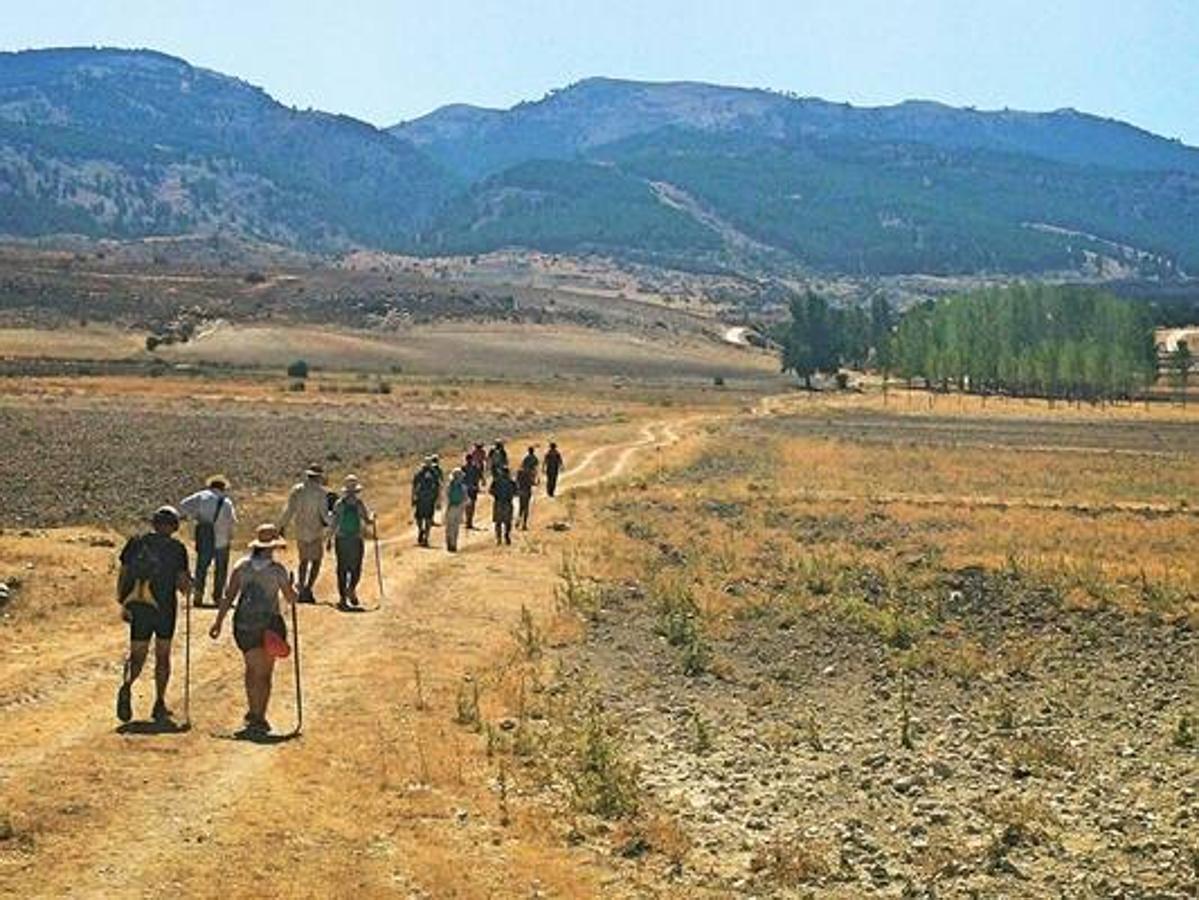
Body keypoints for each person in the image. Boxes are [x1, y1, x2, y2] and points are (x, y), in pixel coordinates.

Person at [210, 524, 298, 736]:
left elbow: (229, 596)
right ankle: (260, 716)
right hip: (269, 626)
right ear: (272, 548)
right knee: (265, 674)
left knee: (251, 669)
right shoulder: (277, 570)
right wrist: (294, 587)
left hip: (244, 624)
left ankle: (252, 711)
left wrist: (218, 622)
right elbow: (290, 598)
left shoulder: (241, 566)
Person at [115, 505, 192, 724]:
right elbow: (182, 584)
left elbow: (124, 573)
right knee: (162, 656)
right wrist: (188, 586)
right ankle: (159, 703)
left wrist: (123, 601)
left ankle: (127, 684)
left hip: (139, 605)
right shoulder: (177, 549)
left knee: (137, 654)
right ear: (174, 526)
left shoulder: (136, 543)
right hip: (164, 607)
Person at [178, 474, 237, 607]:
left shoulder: (201, 496)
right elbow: (232, 522)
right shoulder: (227, 502)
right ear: (223, 487)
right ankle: (217, 596)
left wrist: (194, 517)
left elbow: (182, 506)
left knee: (201, 567)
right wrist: (229, 536)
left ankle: (198, 595)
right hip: (222, 540)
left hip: (205, 538)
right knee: (221, 569)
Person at [278, 464, 331, 604]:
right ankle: (308, 588)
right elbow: (324, 515)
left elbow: (289, 510)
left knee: (303, 560)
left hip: (300, 530)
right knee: (316, 561)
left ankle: (301, 588)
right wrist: (334, 523)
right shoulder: (321, 493)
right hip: (315, 531)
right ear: (319, 476)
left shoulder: (297, 490)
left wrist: (281, 526)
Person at [327, 475, 375, 610]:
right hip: (356, 539)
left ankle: (342, 598)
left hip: (341, 540)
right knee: (356, 567)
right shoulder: (359, 504)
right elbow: (367, 521)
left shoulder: (339, 504)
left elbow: (334, 524)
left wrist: (329, 540)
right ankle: (351, 588)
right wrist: (373, 517)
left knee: (341, 568)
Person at [412, 457, 440, 547]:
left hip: (420, 499)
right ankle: (426, 537)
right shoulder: (434, 474)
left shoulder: (419, 473)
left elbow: (414, 487)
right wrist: (437, 499)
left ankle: (421, 530)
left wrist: (413, 498)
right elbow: (437, 487)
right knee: (428, 518)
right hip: (430, 499)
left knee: (418, 517)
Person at [490, 466, 517, 546]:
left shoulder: (496, 481)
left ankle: (499, 538)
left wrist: (496, 495)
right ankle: (506, 535)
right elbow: (516, 492)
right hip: (507, 503)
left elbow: (491, 491)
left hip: (498, 502)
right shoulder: (511, 482)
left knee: (498, 522)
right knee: (507, 522)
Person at [444, 468, 467, 552]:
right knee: (455, 527)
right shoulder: (462, 487)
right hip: (458, 508)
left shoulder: (449, 486)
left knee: (449, 527)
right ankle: (453, 544)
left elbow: (446, 497)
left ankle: (450, 543)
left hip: (451, 507)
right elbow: (466, 499)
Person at [462, 452, 484, 529]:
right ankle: (469, 521)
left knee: (467, 506)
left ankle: (468, 521)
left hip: (467, 489)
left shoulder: (464, 468)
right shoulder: (474, 467)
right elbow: (479, 475)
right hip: (472, 488)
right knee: (471, 506)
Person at [516, 460, 537, 531]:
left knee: (521, 507)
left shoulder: (519, 472)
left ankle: (518, 521)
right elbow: (531, 482)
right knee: (526, 508)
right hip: (527, 492)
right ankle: (524, 524)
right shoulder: (529, 473)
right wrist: (535, 483)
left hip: (521, 491)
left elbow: (517, 481)